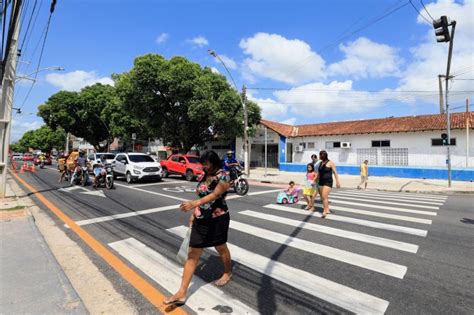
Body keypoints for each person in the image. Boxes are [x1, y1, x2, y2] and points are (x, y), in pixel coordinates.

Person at [164, 150, 232, 306]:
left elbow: (215, 195)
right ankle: (181, 292)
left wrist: (193, 205)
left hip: (218, 218)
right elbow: (201, 195)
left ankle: (227, 272)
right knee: (192, 253)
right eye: (203, 164)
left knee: (220, 247)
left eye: (207, 164)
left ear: (214, 163)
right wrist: (194, 214)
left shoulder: (225, 176)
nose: (205, 167)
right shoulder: (203, 175)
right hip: (201, 217)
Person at [316, 150, 341, 218]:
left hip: (328, 182)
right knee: (323, 197)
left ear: (323, 155)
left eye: (320, 155)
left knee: (324, 196)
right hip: (321, 181)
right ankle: (327, 209)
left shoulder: (330, 163)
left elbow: (335, 172)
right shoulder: (320, 163)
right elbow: (318, 173)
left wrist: (337, 182)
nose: (319, 156)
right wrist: (314, 181)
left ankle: (324, 212)